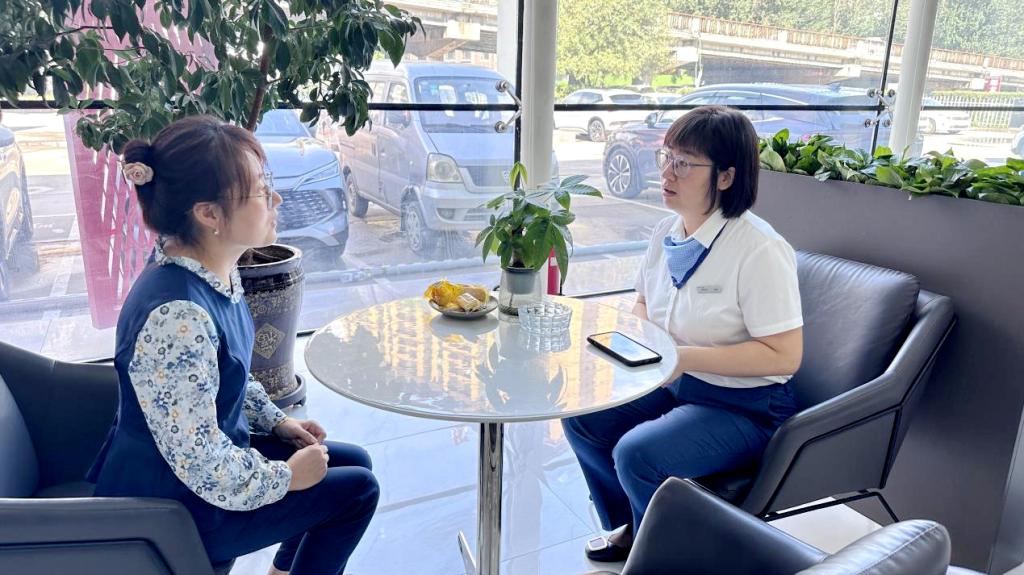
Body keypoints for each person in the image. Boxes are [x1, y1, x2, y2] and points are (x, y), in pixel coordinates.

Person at [87, 115, 379, 575]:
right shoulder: (177, 317)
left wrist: (278, 422)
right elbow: (200, 461)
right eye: (261, 190)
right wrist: (287, 477)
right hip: (174, 506)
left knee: (351, 462)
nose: (276, 199)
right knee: (357, 491)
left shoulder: (211, 270)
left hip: (196, 474)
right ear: (208, 214)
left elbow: (227, 377)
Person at [562, 106, 804, 562]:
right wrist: (640, 345)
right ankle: (636, 530)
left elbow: (784, 355)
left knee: (637, 454)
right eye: (667, 157)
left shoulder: (760, 249)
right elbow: (643, 303)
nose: (667, 172)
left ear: (726, 177)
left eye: (684, 163)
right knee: (583, 418)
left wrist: (681, 356)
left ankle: (664, 559)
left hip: (746, 407)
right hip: (675, 386)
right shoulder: (665, 232)